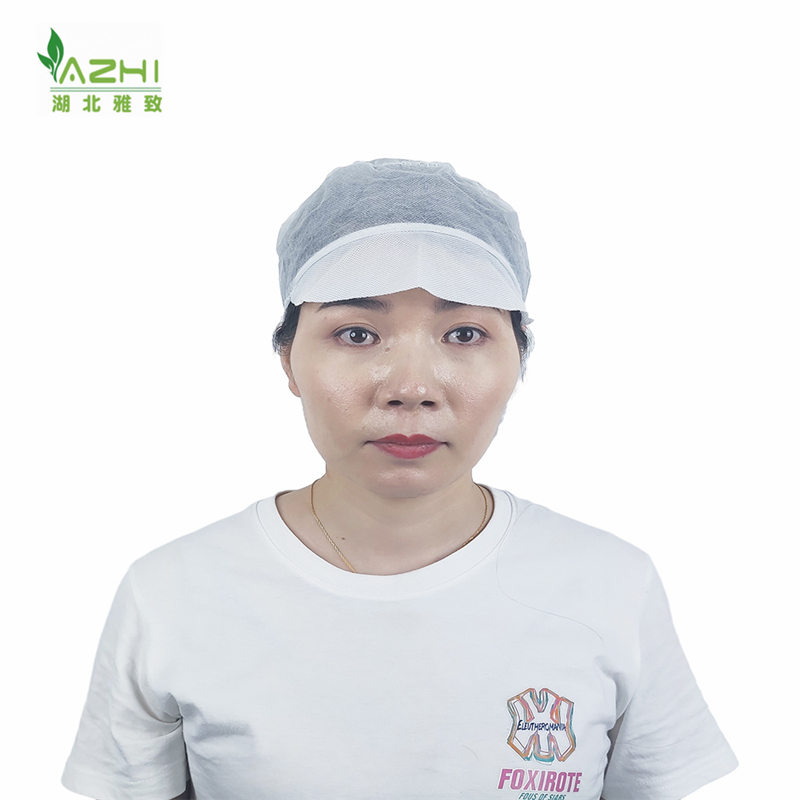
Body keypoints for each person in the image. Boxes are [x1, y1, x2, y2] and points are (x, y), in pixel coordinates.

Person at [61, 158, 738, 800]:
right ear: (288, 360)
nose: (411, 388)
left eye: (464, 334)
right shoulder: (174, 595)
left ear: (520, 358)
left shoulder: (608, 584)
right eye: (357, 334)